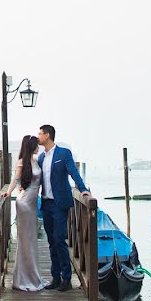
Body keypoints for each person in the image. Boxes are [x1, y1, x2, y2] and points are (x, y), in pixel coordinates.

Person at [37, 124, 89, 291]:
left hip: (60, 204)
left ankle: (67, 278)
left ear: (47, 135)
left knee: (59, 239)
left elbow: (74, 172)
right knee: (51, 241)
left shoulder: (63, 153)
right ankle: (55, 277)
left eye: (40, 134)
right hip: (45, 204)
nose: (38, 137)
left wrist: (83, 189)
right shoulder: (41, 158)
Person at [3, 135, 48, 291]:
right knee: (25, 241)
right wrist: (8, 193)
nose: (39, 147)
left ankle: (33, 277)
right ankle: (23, 279)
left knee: (31, 240)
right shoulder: (22, 162)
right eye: (36, 145)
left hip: (32, 204)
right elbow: (15, 180)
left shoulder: (35, 161)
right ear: (31, 146)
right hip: (24, 204)